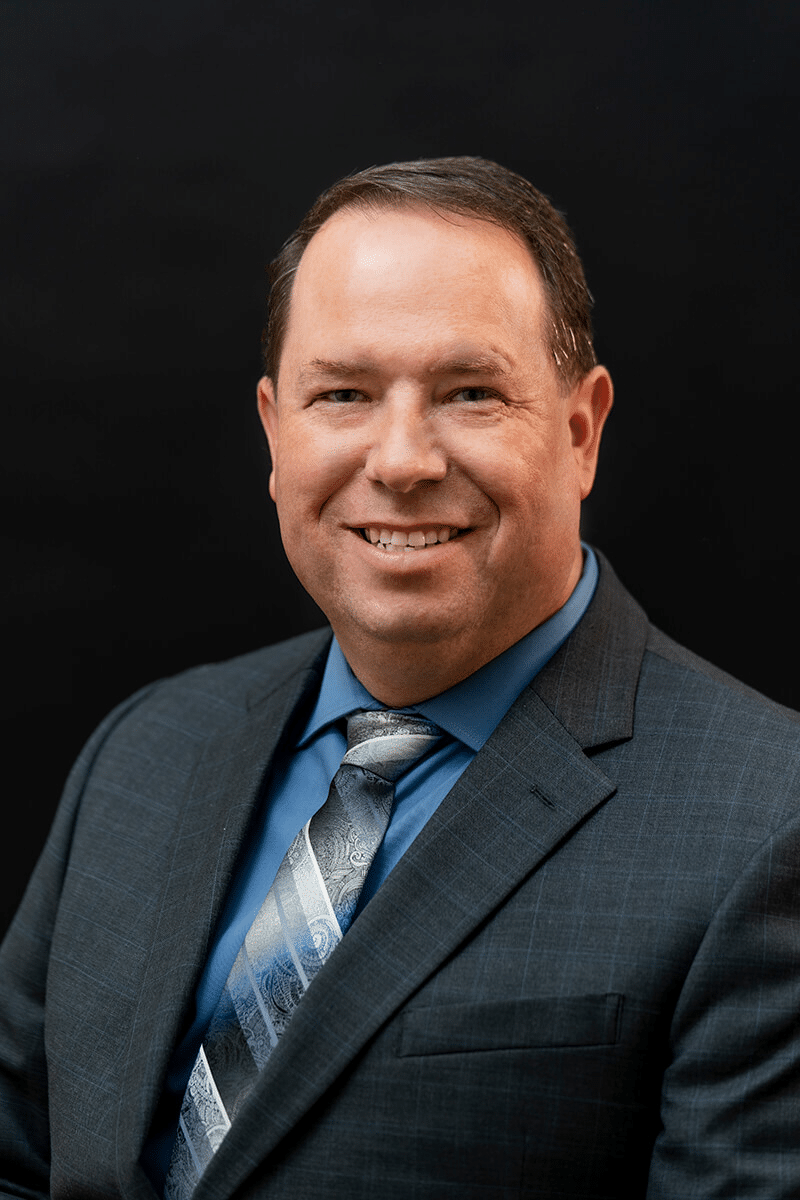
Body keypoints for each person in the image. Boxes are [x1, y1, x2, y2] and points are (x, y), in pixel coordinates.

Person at [1, 156, 799, 1200]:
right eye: (343, 393)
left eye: (470, 392)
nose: (403, 458)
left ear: (579, 429)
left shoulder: (766, 820)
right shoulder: (147, 748)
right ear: (275, 434)